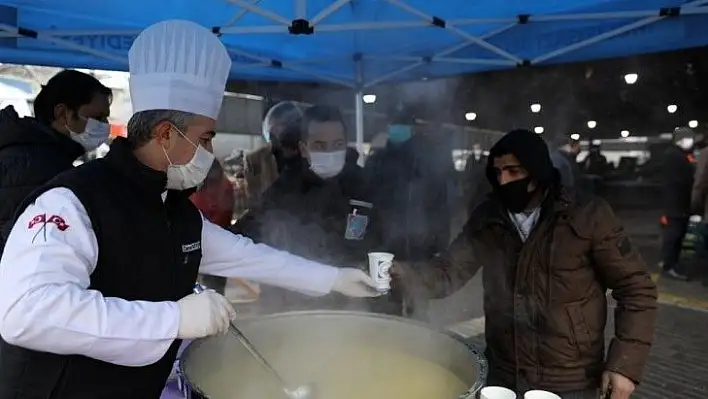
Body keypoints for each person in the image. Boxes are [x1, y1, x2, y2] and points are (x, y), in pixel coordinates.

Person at [0, 20, 377, 399]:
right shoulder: (72, 201)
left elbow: (246, 257)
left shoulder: (173, 209)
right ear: (165, 134)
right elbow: (26, 312)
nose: (209, 153)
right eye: (204, 138)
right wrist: (175, 318)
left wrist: (332, 278)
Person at [395, 129, 657, 399]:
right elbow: (448, 271)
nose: (503, 180)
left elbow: (636, 288)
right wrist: (402, 274)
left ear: (538, 171)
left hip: (570, 379)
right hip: (502, 374)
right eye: (497, 172)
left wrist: (624, 366)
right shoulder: (489, 218)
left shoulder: (587, 215)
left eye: (514, 171)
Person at [234, 105, 400, 315]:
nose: (330, 152)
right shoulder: (283, 190)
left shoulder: (364, 185)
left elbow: (386, 236)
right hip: (295, 307)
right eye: (320, 146)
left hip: (355, 304)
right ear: (304, 149)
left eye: (337, 144)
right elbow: (246, 235)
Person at [0, 70, 112, 250]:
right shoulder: (37, 165)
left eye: (106, 118)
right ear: (62, 114)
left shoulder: (34, 152)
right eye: (97, 118)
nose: (105, 126)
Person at [364, 120, 452, 320]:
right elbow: (369, 204)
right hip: (389, 247)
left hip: (418, 249)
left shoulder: (428, 162)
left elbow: (440, 208)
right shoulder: (380, 159)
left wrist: (439, 246)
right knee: (388, 303)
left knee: (415, 302)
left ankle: (413, 341)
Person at [243, 100, 303, 208]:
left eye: (291, 123)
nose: (287, 128)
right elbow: (252, 200)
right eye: (281, 124)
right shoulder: (255, 160)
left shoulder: (308, 155)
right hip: (270, 218)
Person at [190, 160, 235, 294]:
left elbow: (223, 214)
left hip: (213, 242)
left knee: (214, 286)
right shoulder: (199, 187)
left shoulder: (223, 187)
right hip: (202, 241)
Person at [661, 127, 696, 280]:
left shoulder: (679, 154)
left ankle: (669, 262)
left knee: (675, 235)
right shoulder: (674, 155)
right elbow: (681, 179)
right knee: (675, 235)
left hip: (677, 202)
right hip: (677, 203)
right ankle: (670, 265)